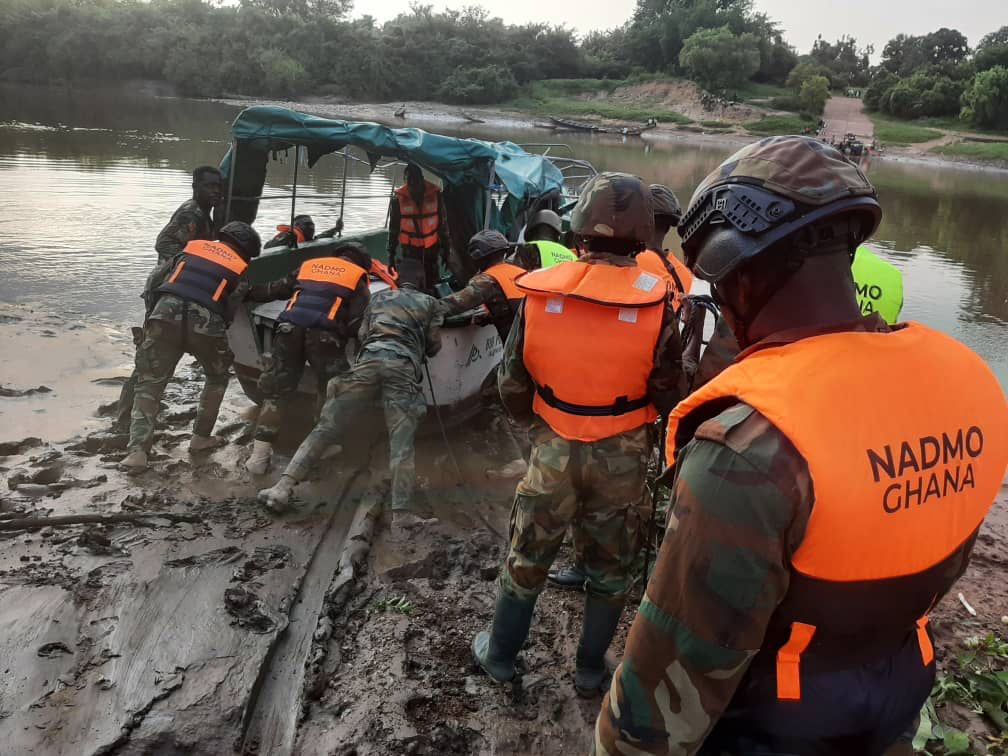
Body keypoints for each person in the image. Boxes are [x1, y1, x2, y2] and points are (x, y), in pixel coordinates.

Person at [595, 136, 1008, 756]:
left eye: (720, 282)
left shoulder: (750, 446)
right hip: (896, 693)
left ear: (744, 273)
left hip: (774, 728)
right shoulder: (970, 384)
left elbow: (665, 692)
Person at [471, 172, 687, 697]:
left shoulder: (539, 290)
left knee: (528, 553)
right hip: (624, 455)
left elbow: (511, 382)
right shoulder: (656, 300)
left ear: (579, 228)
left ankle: (500, 655)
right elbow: (669, 392)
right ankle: (590, 670)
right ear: (643, 233)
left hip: (553, 446)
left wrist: (541, 424)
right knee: (613, 568)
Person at [548, 183, 693, 592]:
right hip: (650, 397)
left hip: (596, 394)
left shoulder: (621, 264)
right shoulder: (682, 273)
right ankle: (621, 568)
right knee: (630, 496)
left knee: (586, 491)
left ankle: (586, 564)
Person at [257, 263, 443, 526]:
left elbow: (363, 333)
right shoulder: (431, 303)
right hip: (402, 368)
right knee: (401, 443)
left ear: (396, 279)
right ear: (423, 283)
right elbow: (434, 345)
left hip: (367, 363)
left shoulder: (378, 298)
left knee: (326, 426)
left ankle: (282, 487)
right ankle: (401, 514)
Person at [120, 222, 263, 471]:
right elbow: (232, 304)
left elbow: (153, 281)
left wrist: (151, 316)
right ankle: (200, 439)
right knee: (217, 377)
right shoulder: (239, 266)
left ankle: (137, 453)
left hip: (164, 316)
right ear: (245, 250)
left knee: (150, 383)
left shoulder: (189, 250)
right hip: (206, 324)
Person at [245, 242, 374, 475]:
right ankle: (322, 446)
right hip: (324, 338)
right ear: (362, 264)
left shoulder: (309, 266)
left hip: (288, 330)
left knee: (277, 391)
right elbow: (358, 322)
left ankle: (259, 458)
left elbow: (276, 290)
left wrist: (245, 292)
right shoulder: (357, 277)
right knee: (330, 389)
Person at [113, 166, 223, 432]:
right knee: (149, 358)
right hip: (165, 287)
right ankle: (125, 419)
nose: (215, 192)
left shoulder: (204, 214)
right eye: (209, 186)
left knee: (152, 355)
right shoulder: (191, 213)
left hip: (172, 289)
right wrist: (189, 265)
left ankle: (131, 415)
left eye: (218, 187)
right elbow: (163, 243)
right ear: (196, 187)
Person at [439, 230, 526, 343]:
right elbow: (517, 307)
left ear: (479, 258)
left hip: (524, 347)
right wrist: (493, 314)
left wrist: (423, 307)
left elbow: (453, 304)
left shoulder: (488, 280)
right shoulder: (521, 272)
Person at [387, 163, 450, 292]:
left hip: (432, 248)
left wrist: (446, 251)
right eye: (409, 180)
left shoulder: (435, 194)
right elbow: (393, 229)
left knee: (432, 280)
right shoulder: (398, 199)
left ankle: (432, 298)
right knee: (412, 282)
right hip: (410, 249)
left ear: (422, 178)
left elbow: (443, 225)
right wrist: (391, 255)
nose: (412, 183)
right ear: (405, 181)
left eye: (415, 179)